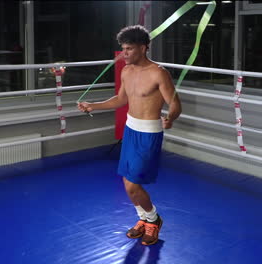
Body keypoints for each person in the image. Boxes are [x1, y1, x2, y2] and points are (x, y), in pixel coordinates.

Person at [77, 25, 182, 246]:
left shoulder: (158, 73)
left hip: (149, 133)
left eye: (129, 49)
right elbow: (120, 100)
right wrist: (93, 105)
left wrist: (170, 118)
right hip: (130, 129)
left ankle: (153, 220)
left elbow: (175, 104)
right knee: (126, 181)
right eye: (123, 48)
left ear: (143, 48)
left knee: (133, 185)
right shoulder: (126, 71)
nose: (124, 53)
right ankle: (144, 219)